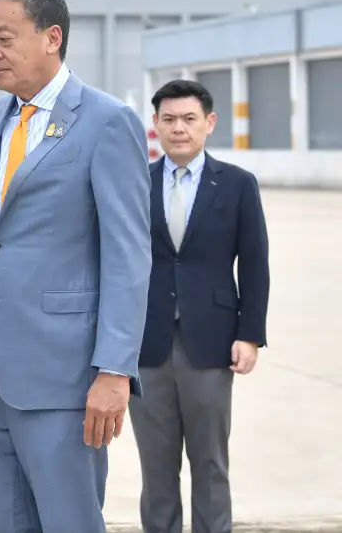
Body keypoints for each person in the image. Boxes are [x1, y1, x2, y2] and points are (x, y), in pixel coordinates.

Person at [0, 0, 152, 533]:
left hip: (67, 380)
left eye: (5, 39)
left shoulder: (106, 121)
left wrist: (115, 370)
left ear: (52, 38)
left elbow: (129, 257)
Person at [130, 79, 270, 533]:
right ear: (155, 124)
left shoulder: (237, 185)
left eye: (189, 119)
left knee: (210, 462)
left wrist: (250, 335)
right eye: (169, 119)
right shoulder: (134, 182)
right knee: (156, 466)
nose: (179, 128)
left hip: (211, 342)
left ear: (209, 123)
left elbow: (254, 263)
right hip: (145, 343)